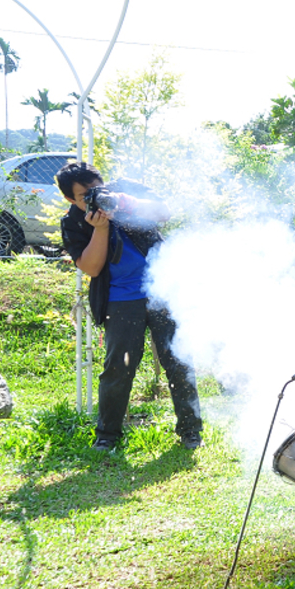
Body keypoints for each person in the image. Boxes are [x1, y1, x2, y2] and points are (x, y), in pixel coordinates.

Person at [57, 162, 203, 451]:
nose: (96, 196)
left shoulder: (124, 189)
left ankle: (190, 431)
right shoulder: (73, 221)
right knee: (118, 368)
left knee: (178, 360)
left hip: (162, 287)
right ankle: (107, 435)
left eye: (98, 189)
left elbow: (163, 212)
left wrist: (123, 202)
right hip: (120, 299)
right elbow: (92, 268)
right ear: (71, 199)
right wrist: (100, 228)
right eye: (85, 195)